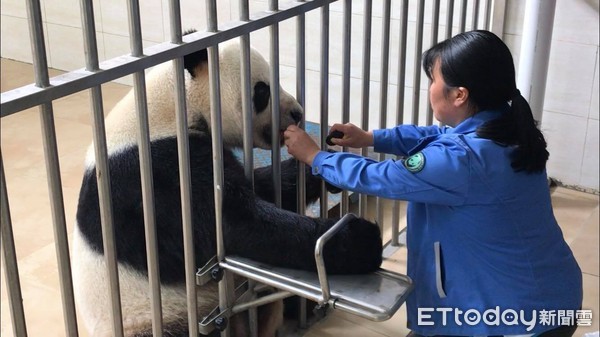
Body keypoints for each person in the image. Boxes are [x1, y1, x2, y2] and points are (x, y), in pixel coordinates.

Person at [284, 30, 582, 337]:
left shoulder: (461, 160)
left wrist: (316, 157)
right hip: (546, 295)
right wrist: (371, 138)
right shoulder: (504, 125)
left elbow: (380, 177)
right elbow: (436, 136)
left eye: (433, 80)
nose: (430, 89)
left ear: (459, 94)